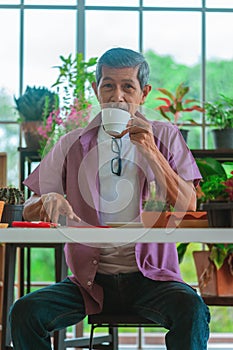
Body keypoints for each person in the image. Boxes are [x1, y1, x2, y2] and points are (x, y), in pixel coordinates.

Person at [9, 47, 210, 350]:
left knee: (192, 310)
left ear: (144, 93)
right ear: (96, 90)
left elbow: (189, 203)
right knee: (25, 313)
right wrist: (47, 200)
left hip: (153, 279)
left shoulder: (165, 136)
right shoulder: (72, 143)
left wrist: (150, 151)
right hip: (90, 283)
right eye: (108, 85)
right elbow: (27, 208)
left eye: (128, 86)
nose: (118, 96)